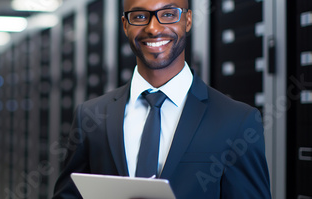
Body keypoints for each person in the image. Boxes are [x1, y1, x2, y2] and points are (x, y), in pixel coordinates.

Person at [52, 0, 271, 198]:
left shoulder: (236, 121)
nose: (153, 29)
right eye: (139, 17)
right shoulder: (90, 116)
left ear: (187, 20)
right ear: (125, 25)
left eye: (168, 14)